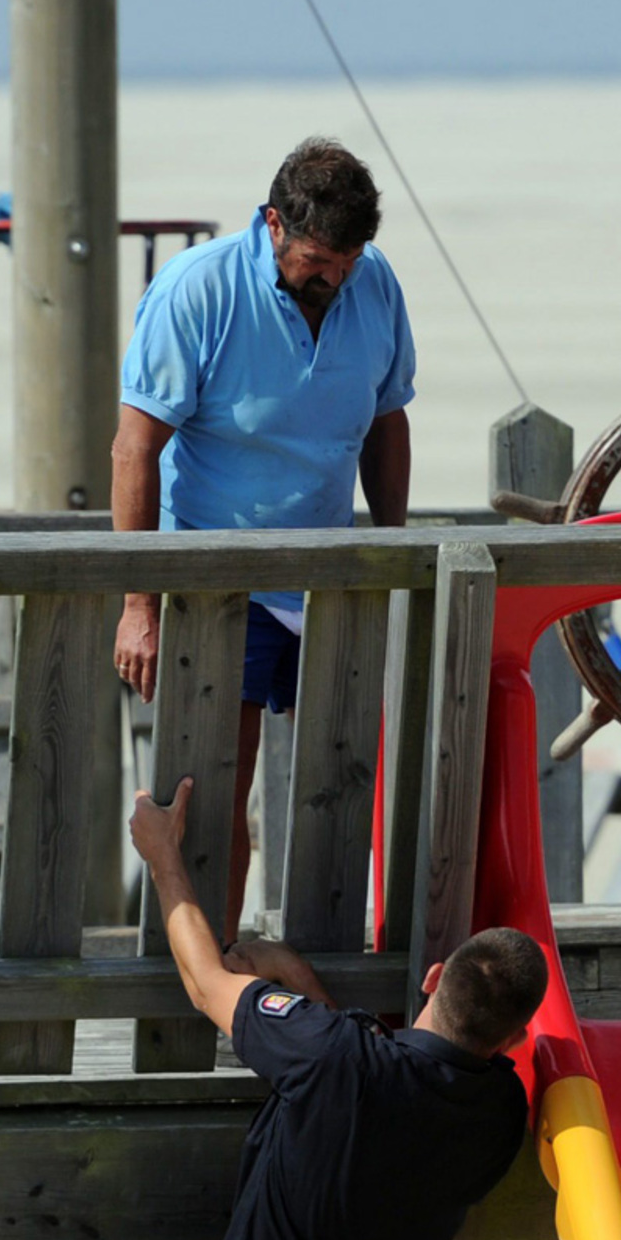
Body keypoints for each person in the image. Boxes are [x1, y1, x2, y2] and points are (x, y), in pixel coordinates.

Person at [129, 776, 547, 1240]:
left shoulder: (333, 1062)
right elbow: (372, 1079)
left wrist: (162, 852)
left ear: (435, 978)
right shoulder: (501, 1115)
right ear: (512, 1038)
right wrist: (297, 981)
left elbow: (203, 984)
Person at [113, 138, 416, 938]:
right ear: (274, 224)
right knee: (215, 795)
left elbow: (388, 420)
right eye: (319, 258)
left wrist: (395, 552)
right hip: (221, 580)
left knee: (344, 784)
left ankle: (330, 976)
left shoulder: (372, 282)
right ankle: (204, 980)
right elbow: (134, 449)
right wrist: (139, 603)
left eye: (350, 259)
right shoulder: (197, 289)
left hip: (331, 576)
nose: (336, 277)